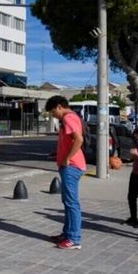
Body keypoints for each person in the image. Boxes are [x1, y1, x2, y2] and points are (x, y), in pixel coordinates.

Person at [45, 96, 86, 250]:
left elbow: (79, 140)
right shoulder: (71, 118)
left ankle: (74, 239)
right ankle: (67, 233)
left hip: (72, 166)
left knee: (71, 203)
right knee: (67, 202)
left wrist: (67, 158)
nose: (52, 115)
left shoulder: (69, 118)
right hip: (69, 165)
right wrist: (59, 155)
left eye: (53, 111)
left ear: (59, 106)